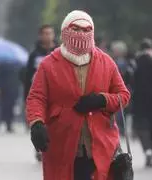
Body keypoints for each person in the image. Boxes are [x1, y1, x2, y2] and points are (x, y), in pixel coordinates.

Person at [26, 10, 130, 180]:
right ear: (64, 32)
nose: (81, 34)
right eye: (76, 29)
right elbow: (36, 97)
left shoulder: (106, 62)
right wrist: (36, 123)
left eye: (86, 30)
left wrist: (102, 100)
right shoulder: (49, 64)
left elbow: (123, 95)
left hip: (99, 143)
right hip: (62, 142)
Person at [22, 24, 56, 162]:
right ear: (40, 36)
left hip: (55, 94)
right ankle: (40, 147)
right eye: (45, 33)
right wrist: (27, 99)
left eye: (50, 33)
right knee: (39, 122)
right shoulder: (34, 55)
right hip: (39, 95)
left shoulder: (59, 52)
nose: (48, 36)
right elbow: (27, 77)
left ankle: (53, 148)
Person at [132, 38, 152, 168]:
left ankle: (147, 150)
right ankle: (151, 151)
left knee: (142, 128)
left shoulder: (135, 62)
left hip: (139, 100)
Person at [0, 62, 20, 133]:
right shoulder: (15, 64)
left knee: (7, 107)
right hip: (7, 90)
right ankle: (6, 124)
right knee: (6, 107)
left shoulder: (5, 64)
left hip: (8, 90)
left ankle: (7, 124)